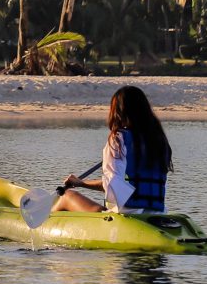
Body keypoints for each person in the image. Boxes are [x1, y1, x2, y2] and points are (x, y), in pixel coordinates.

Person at [54, 85, 172, 214]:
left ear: (118, 111)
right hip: (158, 213)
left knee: (67, 196)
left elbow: (111, 184)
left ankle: (43, 224)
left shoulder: (118, 139)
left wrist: (82, 184)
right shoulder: (159, 140)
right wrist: (81, 183)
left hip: (124, 215)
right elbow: (119, 184)